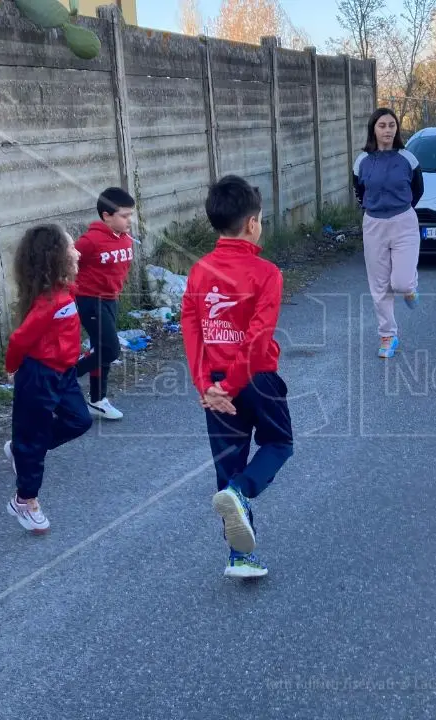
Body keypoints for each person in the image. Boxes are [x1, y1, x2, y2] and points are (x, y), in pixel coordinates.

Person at [180, 175, 294, 579]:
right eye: (260, 219)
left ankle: (239, 557)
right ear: (251, 223)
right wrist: (228, 386)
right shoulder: (267, 273)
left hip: (213, 381)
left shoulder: (198, 271)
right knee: (279, 443)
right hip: (257, 378)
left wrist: (207, 387)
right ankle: (241, 492)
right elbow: (258, 338)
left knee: (227, 465)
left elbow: (191, 330)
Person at [3, 225, 93, 534]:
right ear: (55, 259)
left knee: (80, 420)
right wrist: (12, 367)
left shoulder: (66, 291)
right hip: (38, 377)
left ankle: (22, 450)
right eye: (71, 249)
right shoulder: (47, 303)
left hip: (64, 373)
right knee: (33, 439)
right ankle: (24, 501)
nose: (77, 252)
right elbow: (18, 340)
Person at [352, 107, 424, 359]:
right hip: (374, 224)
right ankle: (388, 336)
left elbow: (418, 191)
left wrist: (399, 209)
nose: (387, 130)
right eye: (382, 125)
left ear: (397, 128)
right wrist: (374, 210)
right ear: (373, 128)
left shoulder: (408, 158)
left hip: (404, 221)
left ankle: (410, 287)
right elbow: (359, 192)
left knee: (400, 282)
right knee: (379, 286)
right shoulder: (362, 161)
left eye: (391, 125)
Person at [74, 187, 137, 421]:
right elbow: (68, 266)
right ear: (106, 215)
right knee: (110, 349)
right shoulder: (89, 241)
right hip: (90, 301)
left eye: (130, 215)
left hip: (111, 300)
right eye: (124, 215)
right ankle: (63, 380)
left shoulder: (125, 238)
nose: (129, 220)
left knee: (101, 350)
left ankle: (98, 399)